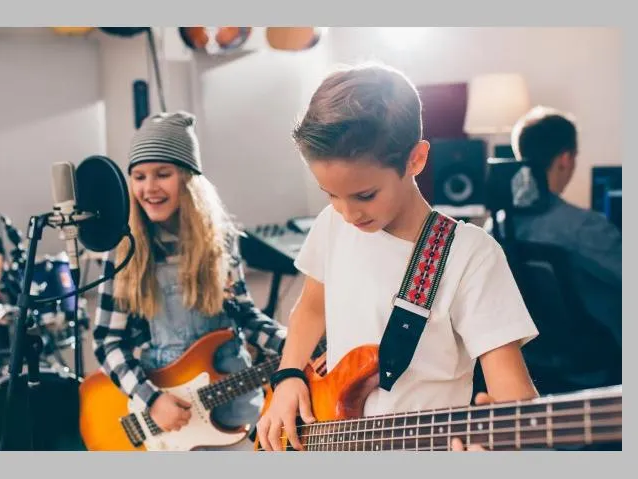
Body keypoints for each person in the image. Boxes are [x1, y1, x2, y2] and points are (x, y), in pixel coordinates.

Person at [256, 62, 540, 452]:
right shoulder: (332, 224)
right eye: (331, 194)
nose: (347, 213)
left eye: (365, 195)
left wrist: (502, 447)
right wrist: (288, 376)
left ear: (416, 159)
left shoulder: (470, 255)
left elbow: (513, 396)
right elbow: (311, 308)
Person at [92, 111, 287, 450]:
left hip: (237, 413)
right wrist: (151, 399)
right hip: (168, 419)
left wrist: (291, 344)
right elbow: (107, 341)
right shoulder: (123, 250)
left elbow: (245, 317)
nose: (149, 188)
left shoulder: (221, 240)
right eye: (139, 176)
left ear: (188, 178)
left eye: (162, 174)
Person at [485, 106, 621, 347]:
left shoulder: (496, 227)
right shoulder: (585, 227)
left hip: (531, 352)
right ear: (566, 158)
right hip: (601, 349)